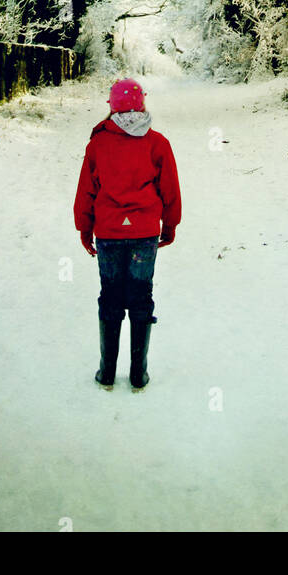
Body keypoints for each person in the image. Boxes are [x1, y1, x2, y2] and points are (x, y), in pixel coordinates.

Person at [73, 79, 181, 391]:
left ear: (112, 106)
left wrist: (84, 228)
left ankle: (107, 372)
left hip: (108, 233)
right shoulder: (158, 144)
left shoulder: (97, 145)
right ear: (142, 106)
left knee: (110, 295)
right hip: (145, 235)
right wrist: (170, 224)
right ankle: (138, 373)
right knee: (140, 294)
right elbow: (170, 190)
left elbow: (86, 192)